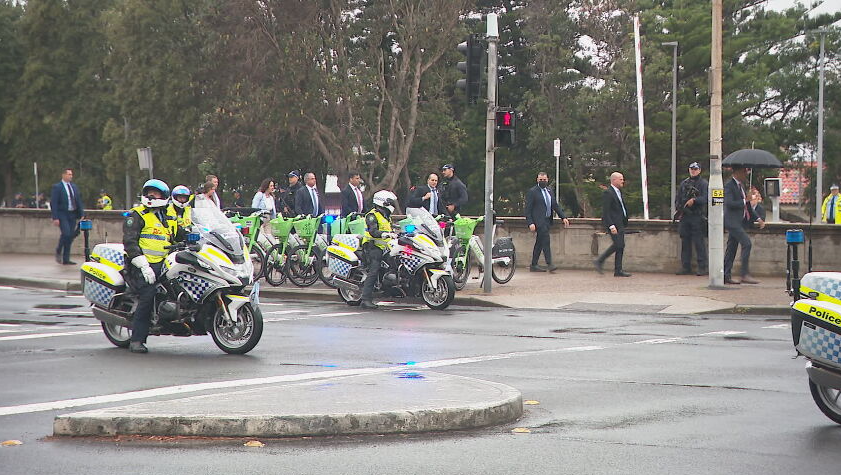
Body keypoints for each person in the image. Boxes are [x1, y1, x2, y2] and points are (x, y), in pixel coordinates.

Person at [123, 179, 183, 354]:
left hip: (165, 263)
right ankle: (137, 339)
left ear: (163, 196)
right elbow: (130, 242)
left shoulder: (169, 217)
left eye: (155, 194)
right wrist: (143, 265)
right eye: (149, 192)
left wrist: (200, 239)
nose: (151, 196)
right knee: (148, 294)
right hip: (141, 265)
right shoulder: (136, 215)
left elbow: (181, 234)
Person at [723, 166, 765, 285]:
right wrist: (744, 200)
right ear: (737, 172)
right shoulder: (729, 185)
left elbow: (747, 206)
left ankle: (726, 275)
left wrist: (758, 218)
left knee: (731, 249)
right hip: (732, 222)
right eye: (744, 172)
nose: (745, 175)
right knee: (746, 243)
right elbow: (730, 203)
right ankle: (744, 274)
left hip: (739, 222)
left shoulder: (741, 186)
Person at [524, 172, 570, 272]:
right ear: (537, 180)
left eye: (544, 180)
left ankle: (534, 265)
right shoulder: (533, 192)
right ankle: (550, 264)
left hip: (547, 220)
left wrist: (563, 217)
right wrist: (530, 223)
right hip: (539, 221)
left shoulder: (549, 191)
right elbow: (528, 209)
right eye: (541, 180)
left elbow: (555, 205)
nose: (543, 182)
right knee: (546, 241)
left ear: (547, 180)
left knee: (539, 243)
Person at [360, 190, 399, 309]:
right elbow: (373, 231)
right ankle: (365, 299)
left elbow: (391, 229)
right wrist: (383, 234)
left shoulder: (385, 215)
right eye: (390, 202)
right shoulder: (372, 215)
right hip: (372, 246)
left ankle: (389, 289)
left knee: (396, 262)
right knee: (374, 269)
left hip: (385, 246)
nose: (392, 204)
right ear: (383, 202)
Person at [674, 162, 708, 276]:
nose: (693, 171)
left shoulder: (703, 184)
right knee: (685, 242)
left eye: (695, 169)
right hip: (685, 216)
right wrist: (679, 207)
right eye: (691, 169)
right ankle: (685, 266)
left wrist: (694, 200)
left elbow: (706, 198)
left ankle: (702, 267)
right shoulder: (684, 183)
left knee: (699, 243)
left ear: (699, 170)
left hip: (697, 215)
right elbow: (678, 198)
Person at [594, 172, 631, 277]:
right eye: (621, 179)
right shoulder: (608, 193)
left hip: (620, 223)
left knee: (621, 246)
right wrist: (611, 225)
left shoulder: (619, 192)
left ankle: (618, 270)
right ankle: (600, 260)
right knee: (618, 244)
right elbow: (606, 212)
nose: (622, 181)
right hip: (613, 224)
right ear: (614, 180)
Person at [50, 168, 85, 265]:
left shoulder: (74, 187)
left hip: (72, 214)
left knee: (70, 236)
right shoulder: (57, 187)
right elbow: (54, 203)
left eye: (71, 174)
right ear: (63, 175)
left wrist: (81, 214)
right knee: (66, 233)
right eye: (69, 174)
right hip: (62, 214)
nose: (71, 176)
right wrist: (55, 217)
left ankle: (66, 258)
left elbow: (78, 201)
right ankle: (58, 250)